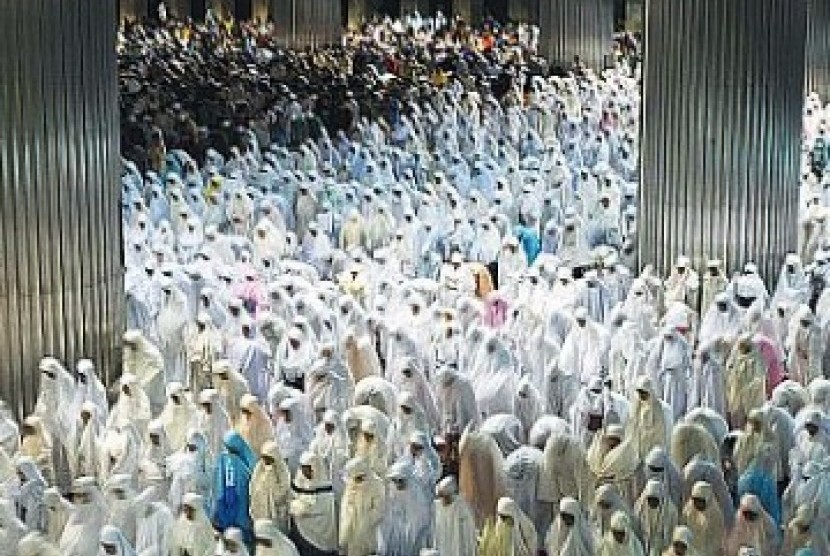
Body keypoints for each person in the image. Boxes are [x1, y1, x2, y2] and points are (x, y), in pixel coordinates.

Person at [212, 431, 257, 547]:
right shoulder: (224, 459)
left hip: (240, 500)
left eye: (231, 448)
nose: (229, 451)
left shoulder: (245, 463)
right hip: (226, 498)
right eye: (227, 447)